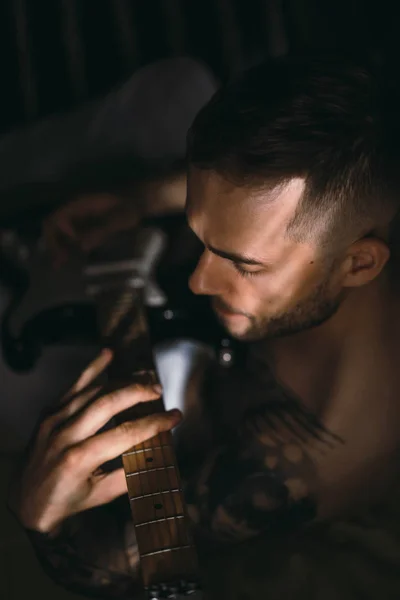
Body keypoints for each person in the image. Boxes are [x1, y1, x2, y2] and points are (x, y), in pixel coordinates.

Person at [8, 55, 400, 599]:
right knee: (178, 83)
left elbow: (116, 566)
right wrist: (137, 199)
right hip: (188, 334)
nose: (198, 280)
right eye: (203, 239)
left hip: (175, 386)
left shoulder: (296, 468)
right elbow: (256, 200)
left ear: (360, 264)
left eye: (243, 263)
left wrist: (38, 517)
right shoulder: (366, 196)